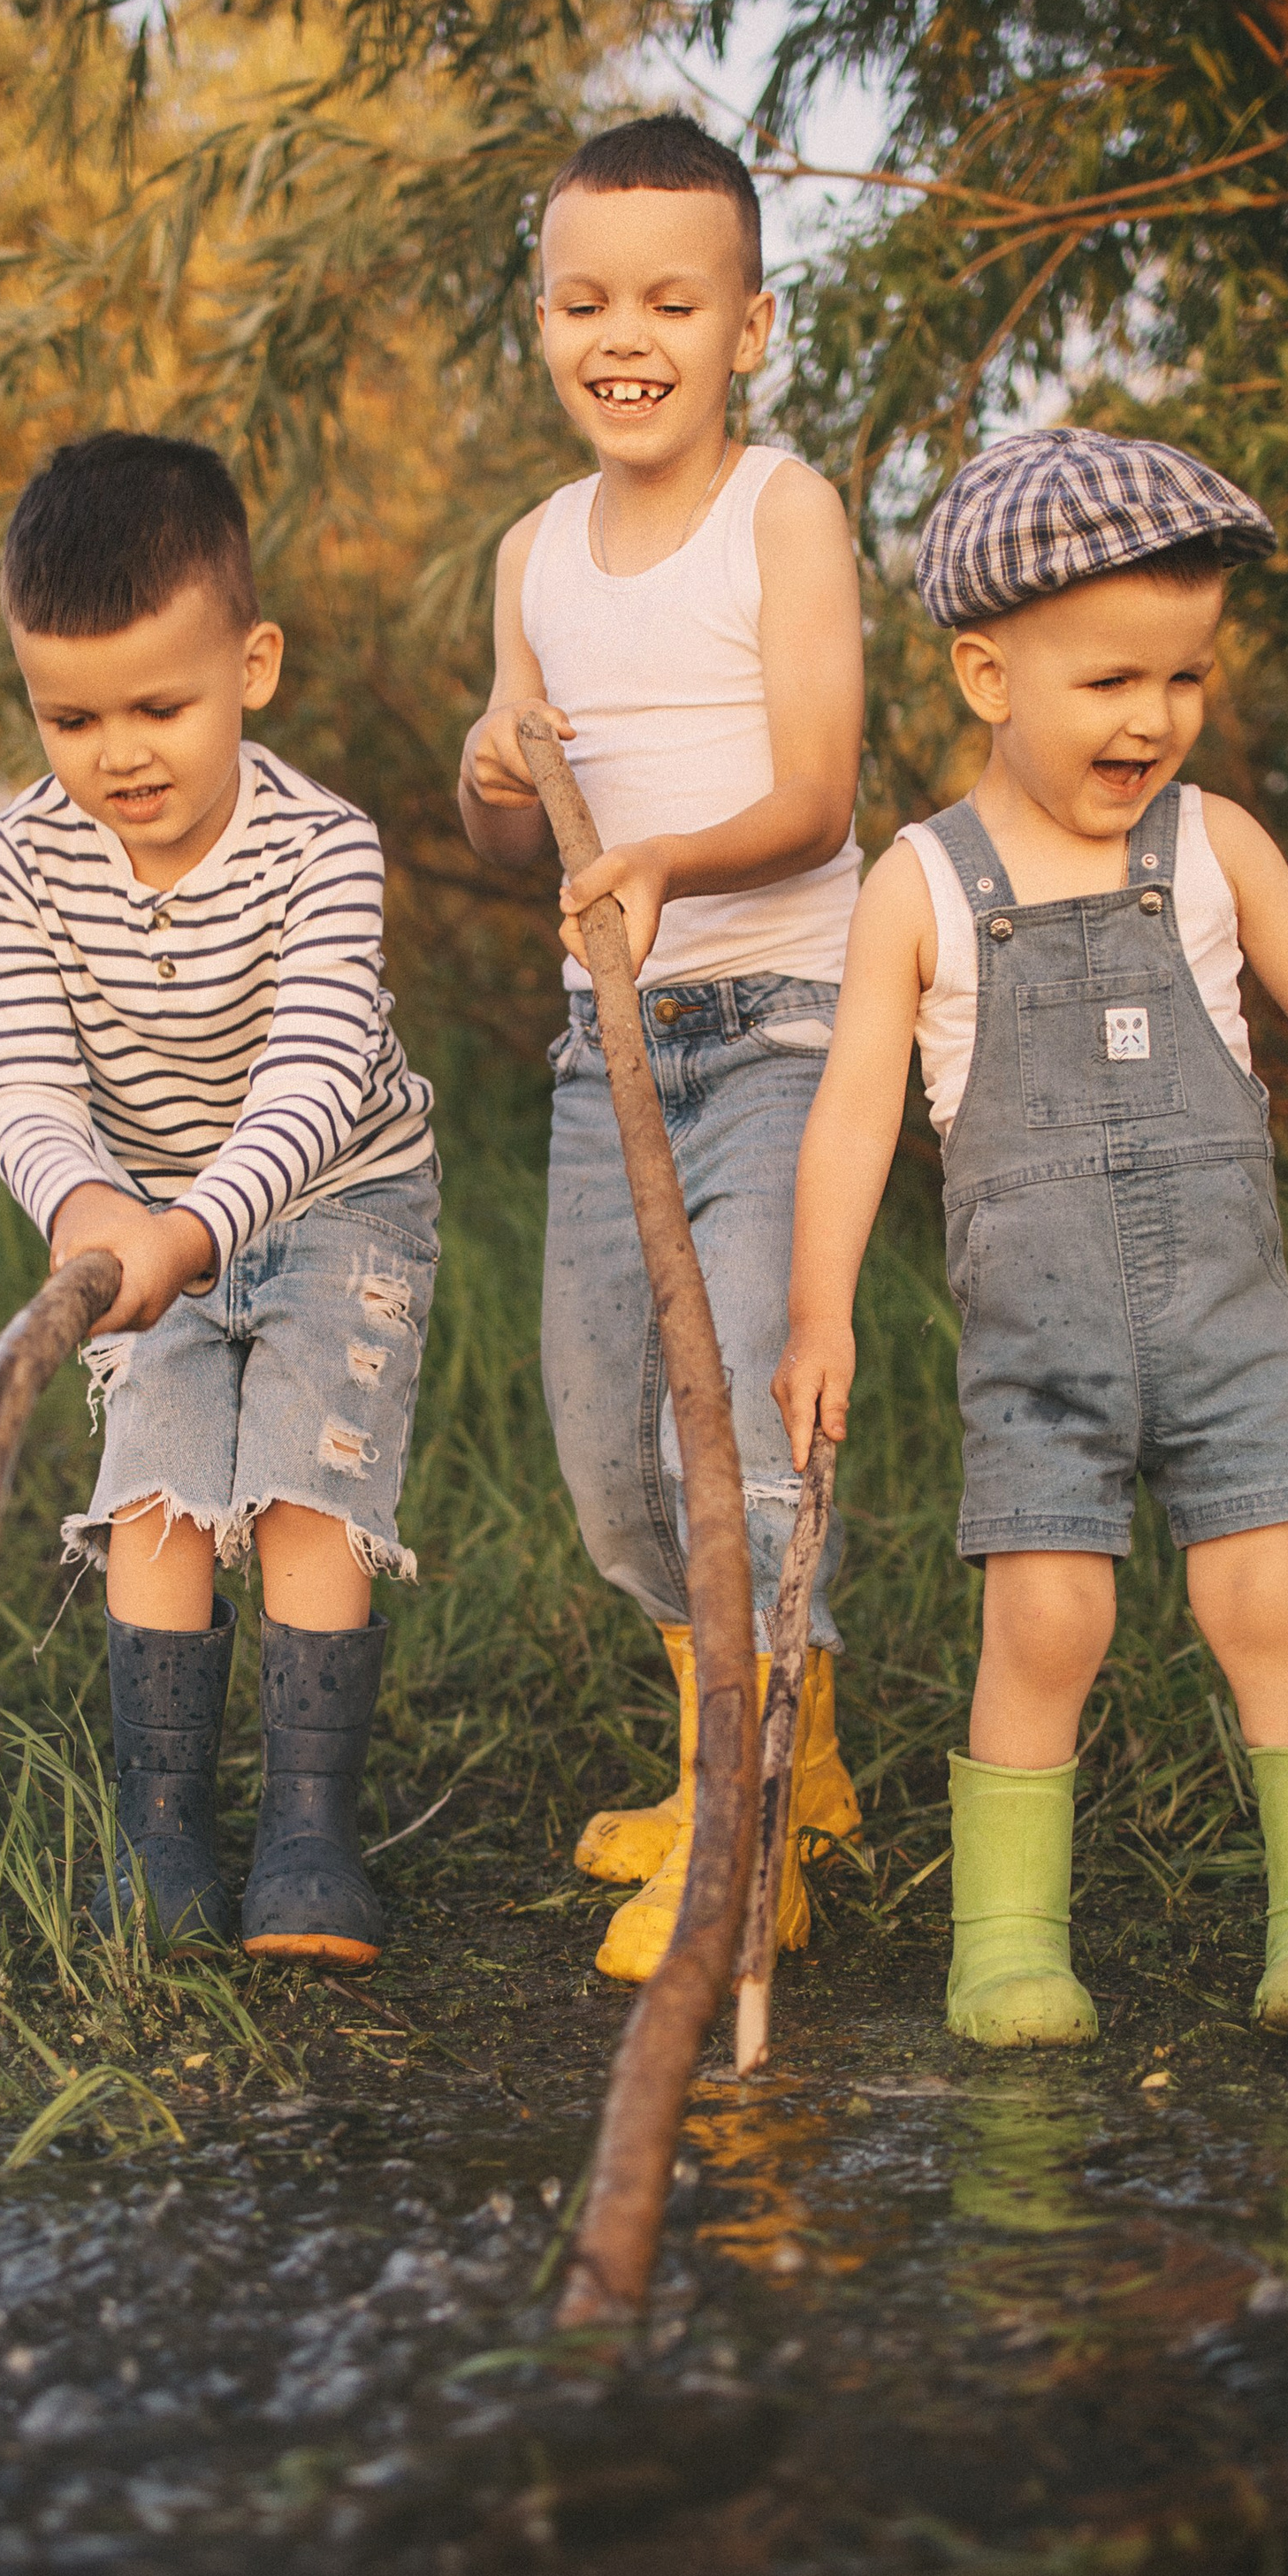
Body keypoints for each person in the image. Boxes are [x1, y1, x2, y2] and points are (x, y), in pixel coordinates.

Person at [774, 429, 1288, 2051]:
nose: (1153, 718)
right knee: (1048, 1621)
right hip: (1042, 1349)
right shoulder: (922, 887)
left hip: (1231, 1332)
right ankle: (1008, 1949)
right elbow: (855, 1118)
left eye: (1185, 678)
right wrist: (821, 1314)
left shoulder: (1213, 848)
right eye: (1109, 681)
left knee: (1274, 1603)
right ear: (987, 675)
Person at [458, 111, 866, 1983]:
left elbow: (819, 794)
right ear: (542, 318)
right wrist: (492, 777)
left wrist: (664, 863)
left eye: (672, 303)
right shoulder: (531, 554)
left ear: (749, 327)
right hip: (603, 1050)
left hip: (783, 1031)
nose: (625, 336)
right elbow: (507, 839)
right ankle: (778, 1746)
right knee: (610, 1449)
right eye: (584, 301)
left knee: (747, 1439)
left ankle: (746, 1830)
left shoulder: (780, 509)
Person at [0, 431, 439, 1970]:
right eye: (71, 717)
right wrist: (85, 1209)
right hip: (142, 1221)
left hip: (342, 1196)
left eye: (159, 708)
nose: (118, 755)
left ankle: (307, 1834)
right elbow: (26, 1083)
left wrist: (191, 1234)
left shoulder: (325, 847)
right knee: (159, 1488)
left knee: (307, 1480)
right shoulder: (22, 859)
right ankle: (164, 1833)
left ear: (253, 666)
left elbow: (312, 1083)